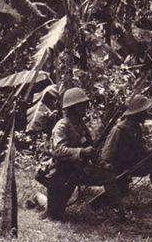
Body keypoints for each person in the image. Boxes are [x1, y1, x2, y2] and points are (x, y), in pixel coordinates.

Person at [45, 87, 118, 221]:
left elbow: (90, 148)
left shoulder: (80, 125)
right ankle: (40, 200)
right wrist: (81, 152)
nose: (85, 108)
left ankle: (119, 212)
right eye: (82, 105)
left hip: (78, 170)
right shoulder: (62, 125)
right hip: (62, 173)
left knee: (109, 176)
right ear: (73, 107)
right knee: (54, 215)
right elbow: (57, 150)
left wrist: (100, 161)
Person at [100, 94, 152, 208]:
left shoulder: (136, 128)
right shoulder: (119, 129)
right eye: (144, 112)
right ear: (138, 113)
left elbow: (140, 148)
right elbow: (107, 154)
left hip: (131, 164)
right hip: (118, 168)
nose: (146, 115)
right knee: (119, 194)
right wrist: (109, 171)